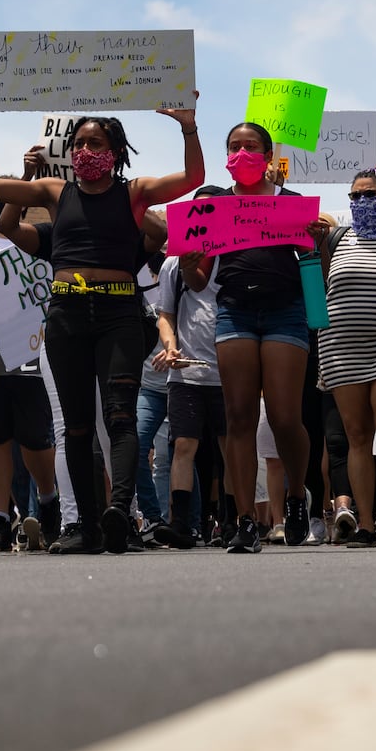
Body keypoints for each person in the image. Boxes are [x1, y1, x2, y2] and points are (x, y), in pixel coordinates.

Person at [0, 96, 202, 553]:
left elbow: (193, 179)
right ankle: (86, 529)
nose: (87, 149)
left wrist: (188, 128)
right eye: (80, 142)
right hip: (66, 316)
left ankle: (118, 513)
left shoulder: (134, 193)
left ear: (116, 150)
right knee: (75, 426)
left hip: (119, 316)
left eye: (97, 142)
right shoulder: (54, 192)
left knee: (120, 416)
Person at [208, 122, 319, 554]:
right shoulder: (215, 206)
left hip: (285, 314)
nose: (241, 153)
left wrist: (315, 251)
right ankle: (245, 520)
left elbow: (311, 267)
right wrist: (193, 258)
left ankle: (295, 498)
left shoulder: (292, 204)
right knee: (237, 417)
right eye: (234, 146)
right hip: (234, 311)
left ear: (268, 155)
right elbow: (198, 279)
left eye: (250, 146)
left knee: (284, 418)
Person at [317, 168, 376, 547]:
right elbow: (317, 289)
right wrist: (314, 247)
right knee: (357, 437)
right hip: (342, 349)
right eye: (354, 196)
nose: (361, 201)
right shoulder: (336, 238)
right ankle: (367, 525)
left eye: (369, 194)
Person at [153, 186, 228, 550]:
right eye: (197, 211)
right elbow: (164, 315)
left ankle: (230, 520)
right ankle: (179, 522)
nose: (204, 218)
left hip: (230, 372)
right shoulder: (173, 263)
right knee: (183, 445)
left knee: (231, 448)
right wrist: (170, 348)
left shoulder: (234, 257)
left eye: (212, 210)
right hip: (186, 372)